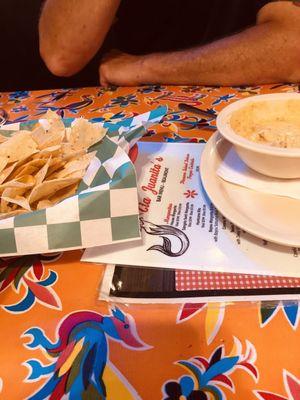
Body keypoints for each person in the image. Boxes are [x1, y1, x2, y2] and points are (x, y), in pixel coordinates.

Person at [39, 0, 300, 87]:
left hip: (250, 122)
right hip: (130, 123)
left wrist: (146, 68)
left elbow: (293, 46)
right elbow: (62, 55)